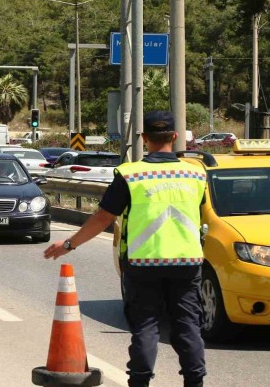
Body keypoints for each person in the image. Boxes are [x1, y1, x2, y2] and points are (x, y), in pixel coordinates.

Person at [43, 111, 207, 387]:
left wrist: (69, 244)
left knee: (146, 327)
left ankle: (140, 382)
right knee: (188, 325)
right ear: (175, 136)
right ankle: (195, 382)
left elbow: (103, 217)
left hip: (143, 263)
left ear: (144, 138)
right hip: (187, 261)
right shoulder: (196, 172)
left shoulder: (131, 174)